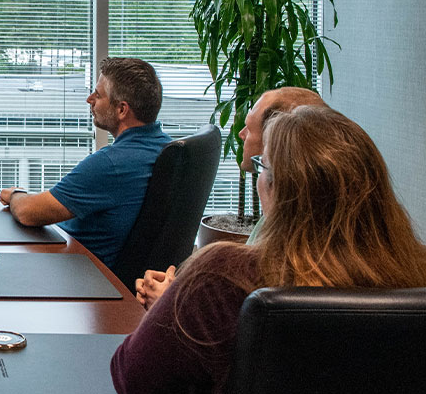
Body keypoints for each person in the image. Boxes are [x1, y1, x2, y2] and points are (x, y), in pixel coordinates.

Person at [110, 105, 426, 394]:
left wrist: (179, 307)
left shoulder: (222, 278)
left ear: (280, 190)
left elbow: (132, 378)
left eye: (264, 167)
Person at [134, 85, 327, 307]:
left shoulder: (290, 247)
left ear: (277, 138)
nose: (240, 134)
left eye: (249, 129)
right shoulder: (284, 222)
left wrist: (172, 302)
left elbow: (237, 316)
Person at [0, 57, 171, 270]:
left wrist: (16, 194)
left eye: (98, 95)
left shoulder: (111, 164)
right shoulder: (166, 148)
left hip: (78, 271)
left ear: (122, 110)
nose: (90, 99)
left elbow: (27, 212)